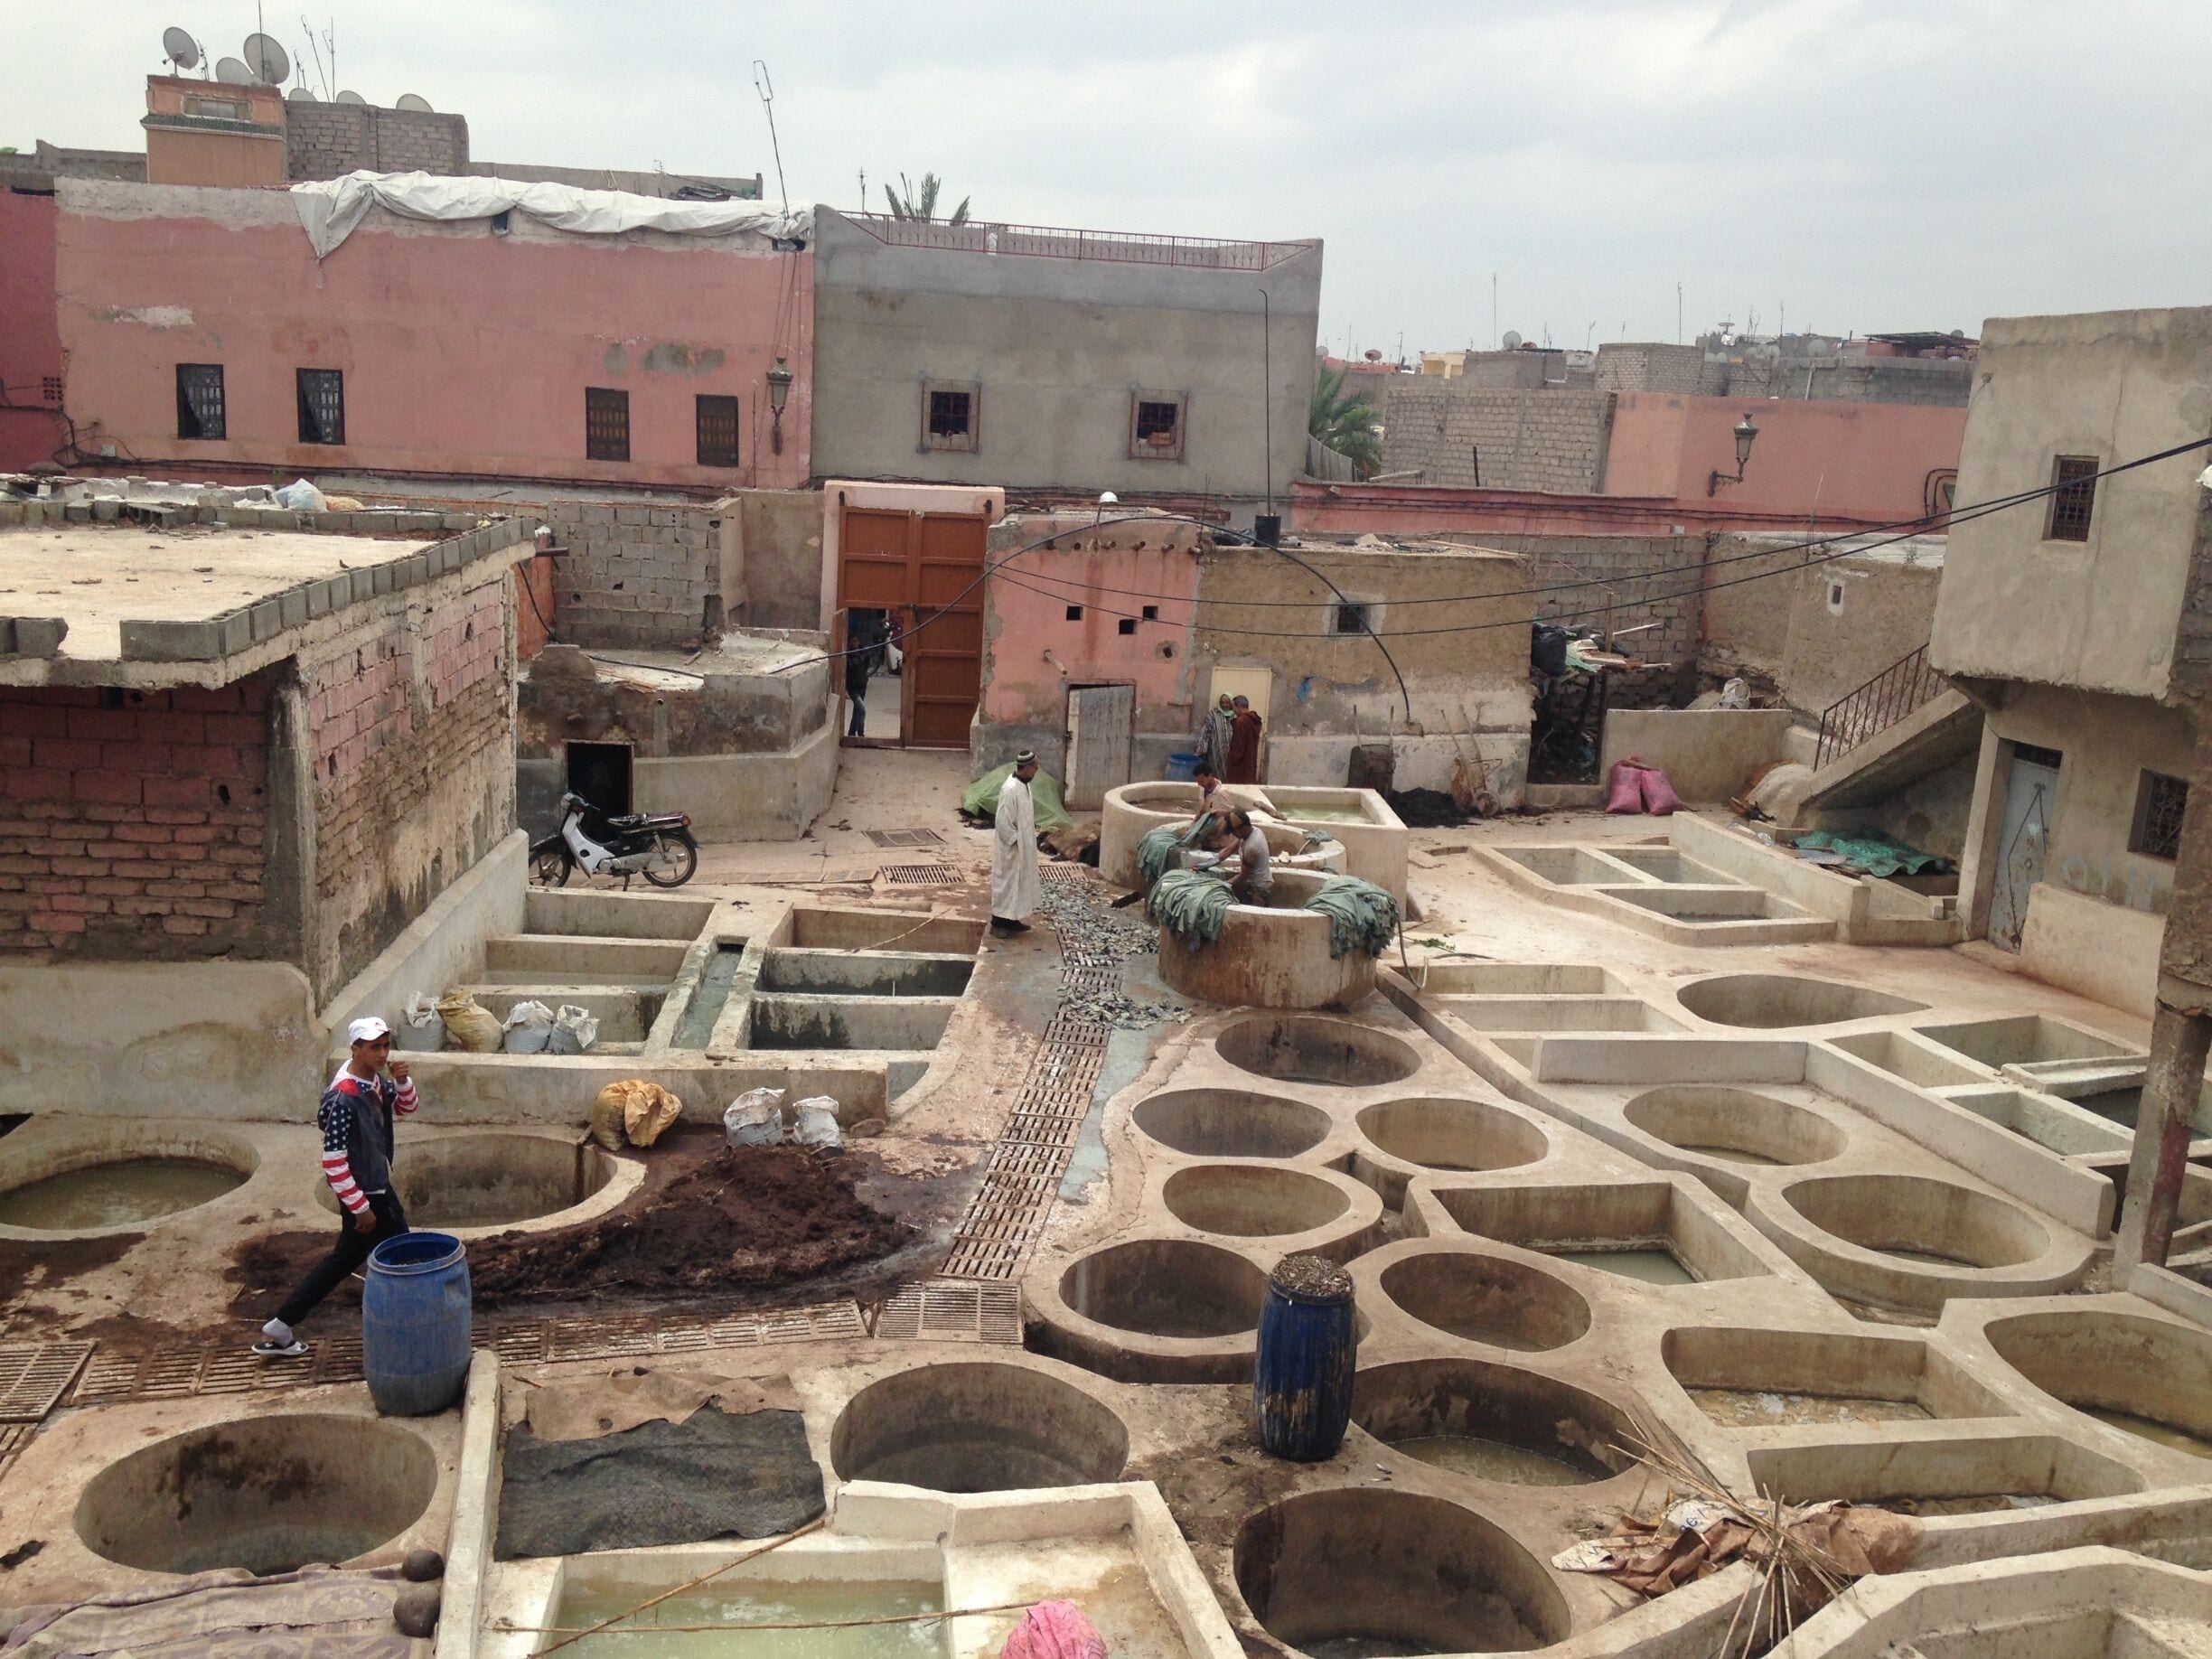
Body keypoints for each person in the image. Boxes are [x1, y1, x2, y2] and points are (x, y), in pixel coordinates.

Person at [252, 1016, 419, 1358]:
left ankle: (283, 1324)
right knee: (402, 1254)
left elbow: (406, 1108)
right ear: (355, 1049)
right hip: (369, 1193)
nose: (383, 1054)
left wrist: (403, 1081)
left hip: (373, 1187)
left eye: (385, 1046)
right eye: (375, 1047)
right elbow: (332, 1160)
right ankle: (407, 1326)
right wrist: (361, 1208)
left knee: (349, 1259)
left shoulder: (372, 1081)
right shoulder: (344, 1098)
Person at [989, 750, 1043, 936]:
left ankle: (1012, 920)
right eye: (1035, 768)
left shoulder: (1025, 786)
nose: (1036, 771)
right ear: (1027, 768)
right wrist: (1016, 841)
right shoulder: (1010, 789)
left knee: (1019, 884)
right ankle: (998, 923)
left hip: (1024, 845)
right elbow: (1003, 822)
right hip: (1011, 848)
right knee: (1007, 884)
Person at [1211, 809, 1274, 904]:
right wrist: (1212, 861)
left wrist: (1222, 884)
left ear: (1243, 828)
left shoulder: (1252, 847)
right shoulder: (1252, 832)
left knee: (1253, 916)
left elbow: (1243, 876)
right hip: (1251, 883)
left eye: (1234, 832)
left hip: (1259, 889)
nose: (1234, 835)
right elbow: (1230, 849)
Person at [1225, 694, 1264, 784]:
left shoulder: (1241, 722)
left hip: (1240, 766)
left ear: (1238, 706)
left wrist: (1231, 761)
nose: (1233, 710)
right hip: (1250, 762)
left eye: (1233, 707)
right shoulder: (1253, 720)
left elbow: (1238, 746)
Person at [1196, 693, 1234, 777]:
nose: (1224, 705)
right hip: (1216, 752)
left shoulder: (1235, 716)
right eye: (1222, 702)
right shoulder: (1213, 715)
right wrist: (1202, 748)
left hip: (1232, 753)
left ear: (1231, 703)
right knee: (1216, 774)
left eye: (1227, 702)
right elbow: (1205, 732)